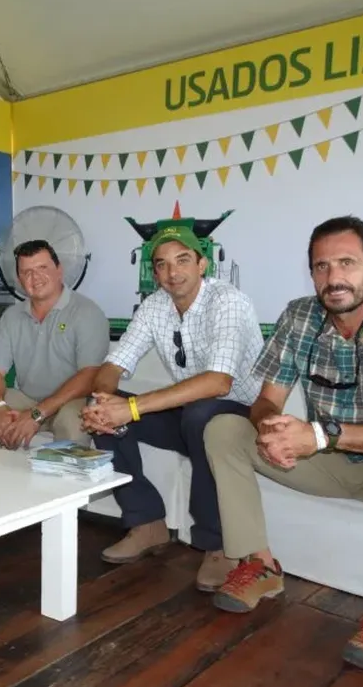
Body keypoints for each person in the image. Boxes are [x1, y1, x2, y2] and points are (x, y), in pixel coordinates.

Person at [203, 215, 363, 672]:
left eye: (347, 263)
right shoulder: (300, 315)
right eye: (322, 266)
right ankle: (260, 566)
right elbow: (266, 401)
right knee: (224, 427)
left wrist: (319, 434)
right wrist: (273, 429)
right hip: (332, 463)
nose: (333, 278)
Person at [82, 223, 264, 591]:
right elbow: (115, 364)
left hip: (242, 416)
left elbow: (219, 383)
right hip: (190, 413)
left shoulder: (228, 301)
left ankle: (218, 545)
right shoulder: (155, 306)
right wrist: (104, 401)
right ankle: (147, 523)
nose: (172, 272)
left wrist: (131, 407)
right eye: (162, 264)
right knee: (108, 415)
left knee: (200, 415)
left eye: (182, 260)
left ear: (202, 264)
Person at [0, 239, 109, 449]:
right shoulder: (12, 316)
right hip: (28, 398)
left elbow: (90, 376)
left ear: (59, 270)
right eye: (27, 272)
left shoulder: (87, 313)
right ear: (19, 279)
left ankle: (64, 480)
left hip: (72, 401)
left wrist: (37, 414)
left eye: (42, 268)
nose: (35, 277)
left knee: (72, 423)